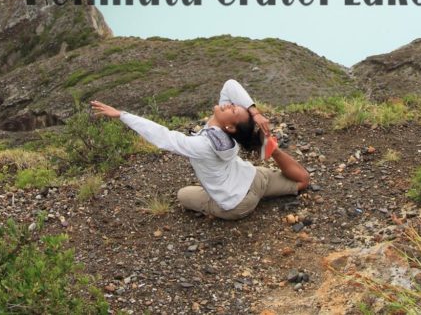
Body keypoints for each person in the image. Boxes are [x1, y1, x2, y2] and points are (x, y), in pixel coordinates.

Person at [89, 79, 310, 220]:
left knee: (183, 195)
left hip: (237, 205)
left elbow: (164, 138)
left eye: (233, 109)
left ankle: (224, 205)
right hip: (255, 179)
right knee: (302, 181)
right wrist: (254, 112)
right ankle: (274, 151)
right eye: (234, 105)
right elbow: (229, 85)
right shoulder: (225, 132)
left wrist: (122, 115)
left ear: (230, 126)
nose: (228, 104)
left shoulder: (203, 144)